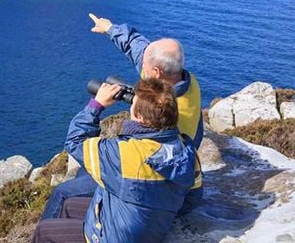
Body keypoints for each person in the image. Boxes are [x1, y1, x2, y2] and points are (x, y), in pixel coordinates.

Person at [41, 14, 203, 219]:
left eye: (145, 67)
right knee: (85, 170)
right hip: (166, 159)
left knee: (62, 192)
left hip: (150, 175)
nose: (141, 67)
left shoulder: (173, 114)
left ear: (156, 72)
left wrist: (97, 105)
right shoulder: (180, 79)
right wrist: (109, 28)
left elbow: (76, 143)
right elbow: (137, 46)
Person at [32, 79, 199, 243]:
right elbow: (192, 199)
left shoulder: (126, 154)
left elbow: (75, 141)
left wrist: (97, 104)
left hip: (115, 237)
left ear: (139, 117)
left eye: (133, 105)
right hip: (150, 229)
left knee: (43, 231)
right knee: (68, 206)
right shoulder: (187, 151)